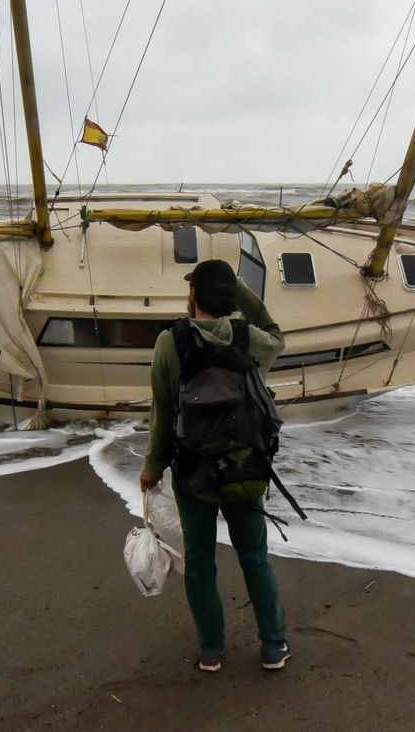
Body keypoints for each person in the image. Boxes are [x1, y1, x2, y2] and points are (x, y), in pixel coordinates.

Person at [138, 257, 290, 672]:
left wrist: (152, 467)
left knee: (201, 561)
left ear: (192, 295)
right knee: (255, 557)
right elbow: (278, 336)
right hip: (246, 471)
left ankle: (211, 650)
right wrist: (240, 290)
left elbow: (164, 413)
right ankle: (274, 645)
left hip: (194, 474)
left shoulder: (171, 342)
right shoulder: (248, 339)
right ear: (229, 298)